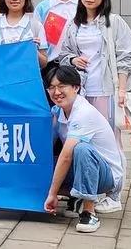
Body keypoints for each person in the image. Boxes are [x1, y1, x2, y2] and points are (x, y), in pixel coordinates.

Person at [56, 0, 131, 214]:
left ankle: (114, 193)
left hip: (107, 91)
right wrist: (73, 59)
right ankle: (89, 190)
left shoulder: (114, 22)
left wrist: (121, 89)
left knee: (111, 142)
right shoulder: (74, 25)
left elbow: (127, 56)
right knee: (83, 142)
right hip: (81, 93)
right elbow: (63, 54)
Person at [43, 66, 125, 234]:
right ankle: (76, 198)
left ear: (76, 87)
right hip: (82, 169)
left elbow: (67, 156)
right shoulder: (58, 111)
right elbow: (46, 145)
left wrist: (52, 193)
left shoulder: (84, 112)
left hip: (106, 177)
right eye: (51, 87)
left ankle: (89, 212)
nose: (56, 92)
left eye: (62, 86)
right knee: (43, 157)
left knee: (81, 149)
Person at [0, 0, 48, 67]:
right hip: (2, 74)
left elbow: (44, 63)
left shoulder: (35, 25)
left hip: (27, 75)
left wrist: (33, 50)